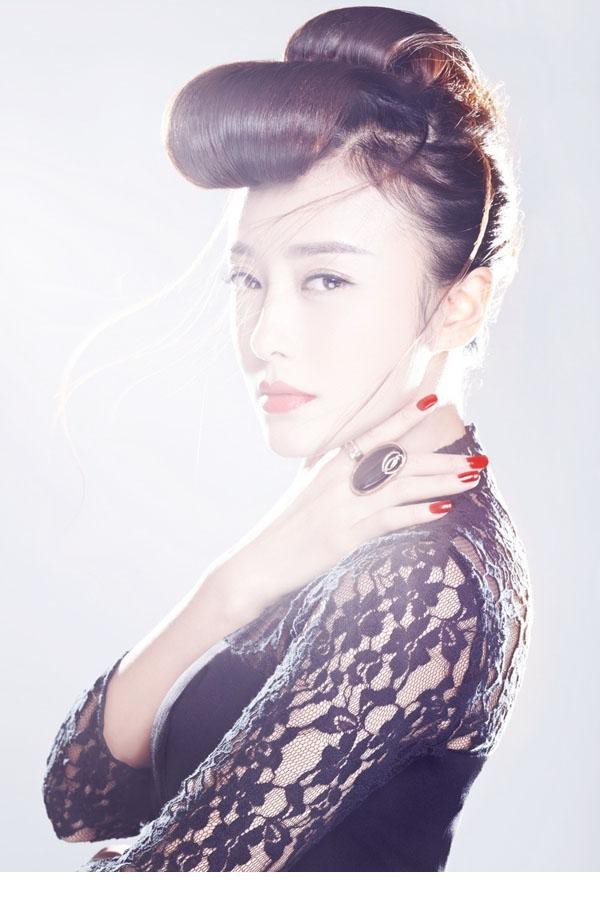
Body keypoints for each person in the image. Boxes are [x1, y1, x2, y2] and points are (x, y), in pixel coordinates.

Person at [42, 6, 532, 871]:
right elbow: (82, 804)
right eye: (248, 279)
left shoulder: (423, 577)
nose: (264, 335)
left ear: (459, 304)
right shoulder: (343, 516)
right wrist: (237, 581)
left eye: (326, 279)